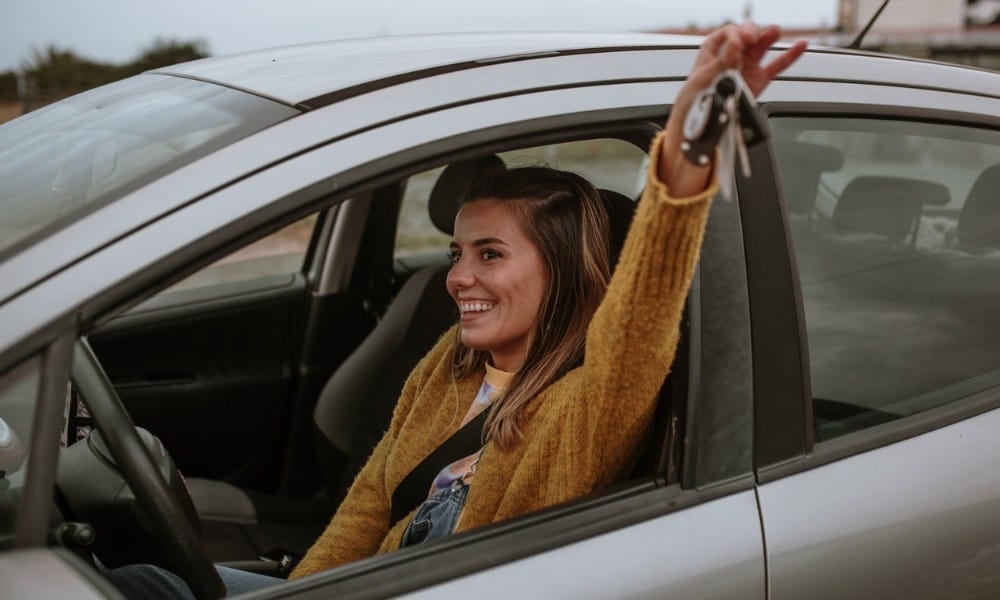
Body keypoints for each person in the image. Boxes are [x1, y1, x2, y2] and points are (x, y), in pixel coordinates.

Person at [107, 23, 806, 598]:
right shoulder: (449, 363)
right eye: (455, 253)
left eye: (491, 255)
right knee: (134, 580)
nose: (458, 277)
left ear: (561, 270)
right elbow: (368, 508)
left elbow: (642, 314)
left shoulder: (586, 410)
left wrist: (686, 150)